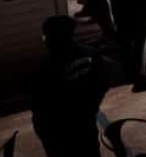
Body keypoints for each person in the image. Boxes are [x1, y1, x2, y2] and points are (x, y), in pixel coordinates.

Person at [30, 16, 109, 157]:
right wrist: (90, 107)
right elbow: (103, 84)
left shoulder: (45, 68)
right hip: (85, 123)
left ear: (51, 38)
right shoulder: (92, 54)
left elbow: (38, 104)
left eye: (45, 37)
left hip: (58, 132)